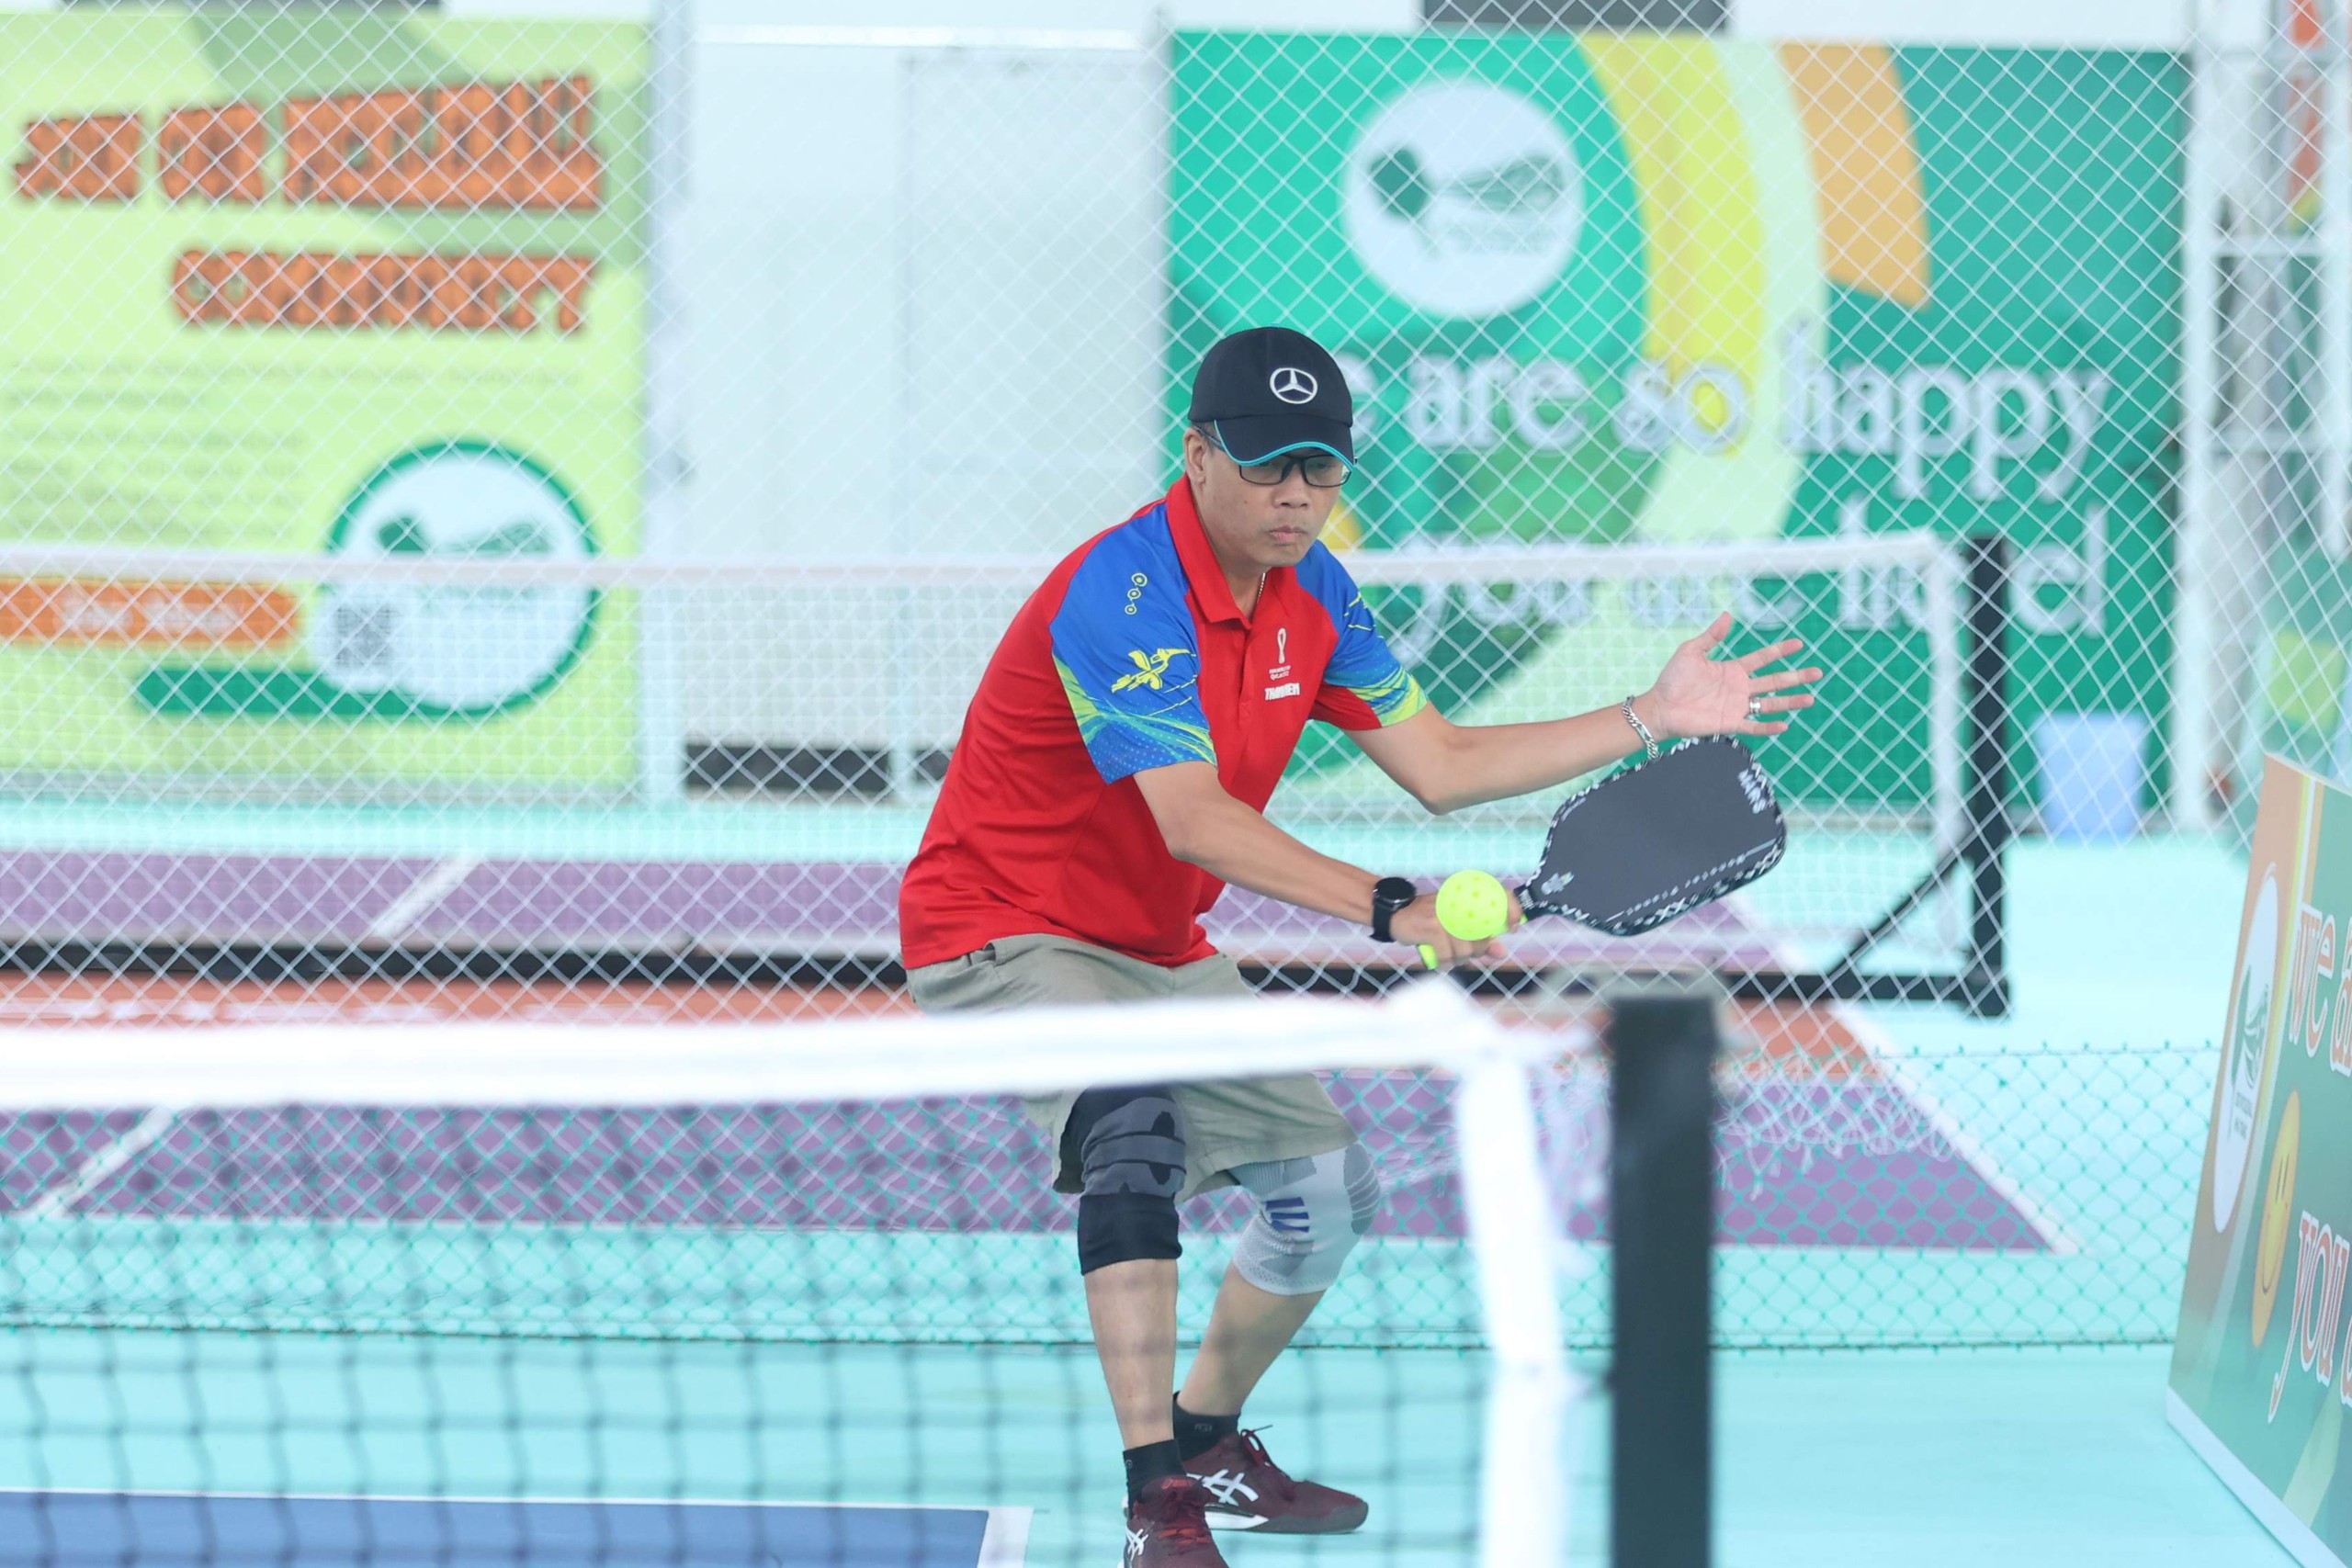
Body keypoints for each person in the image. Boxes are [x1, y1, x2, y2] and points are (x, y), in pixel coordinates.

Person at [898, 325, 1820, 1566]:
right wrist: (1392, 908)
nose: (1296, 494)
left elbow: (1441, 763)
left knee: (1327, 1194)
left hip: (1156, 942)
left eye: (1320, 468)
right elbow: (1195, 819)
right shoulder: (1120, 594)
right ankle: (1155, 1501)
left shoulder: (1318, 594)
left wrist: (1648, 712)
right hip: (1003, 930)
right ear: (1198, 456)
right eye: (1267, 464)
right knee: (1132, 1130)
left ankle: (1207, 1440)